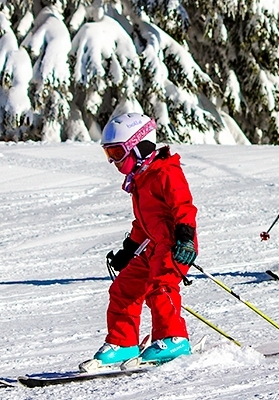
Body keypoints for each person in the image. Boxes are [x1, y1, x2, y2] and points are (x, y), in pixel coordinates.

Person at [79, 112, 199, 372]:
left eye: (117, 153)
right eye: (108, 154)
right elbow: (143, 224)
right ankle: (124, 343)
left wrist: (186, 239)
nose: (113, 161)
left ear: (139, 145)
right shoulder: (140, 179)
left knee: (161, 286)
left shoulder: (166, 172)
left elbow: (184, 207)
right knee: (124, 289)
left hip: (174, 244)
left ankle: (173, 339)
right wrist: (128, 251)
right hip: (152, 245)